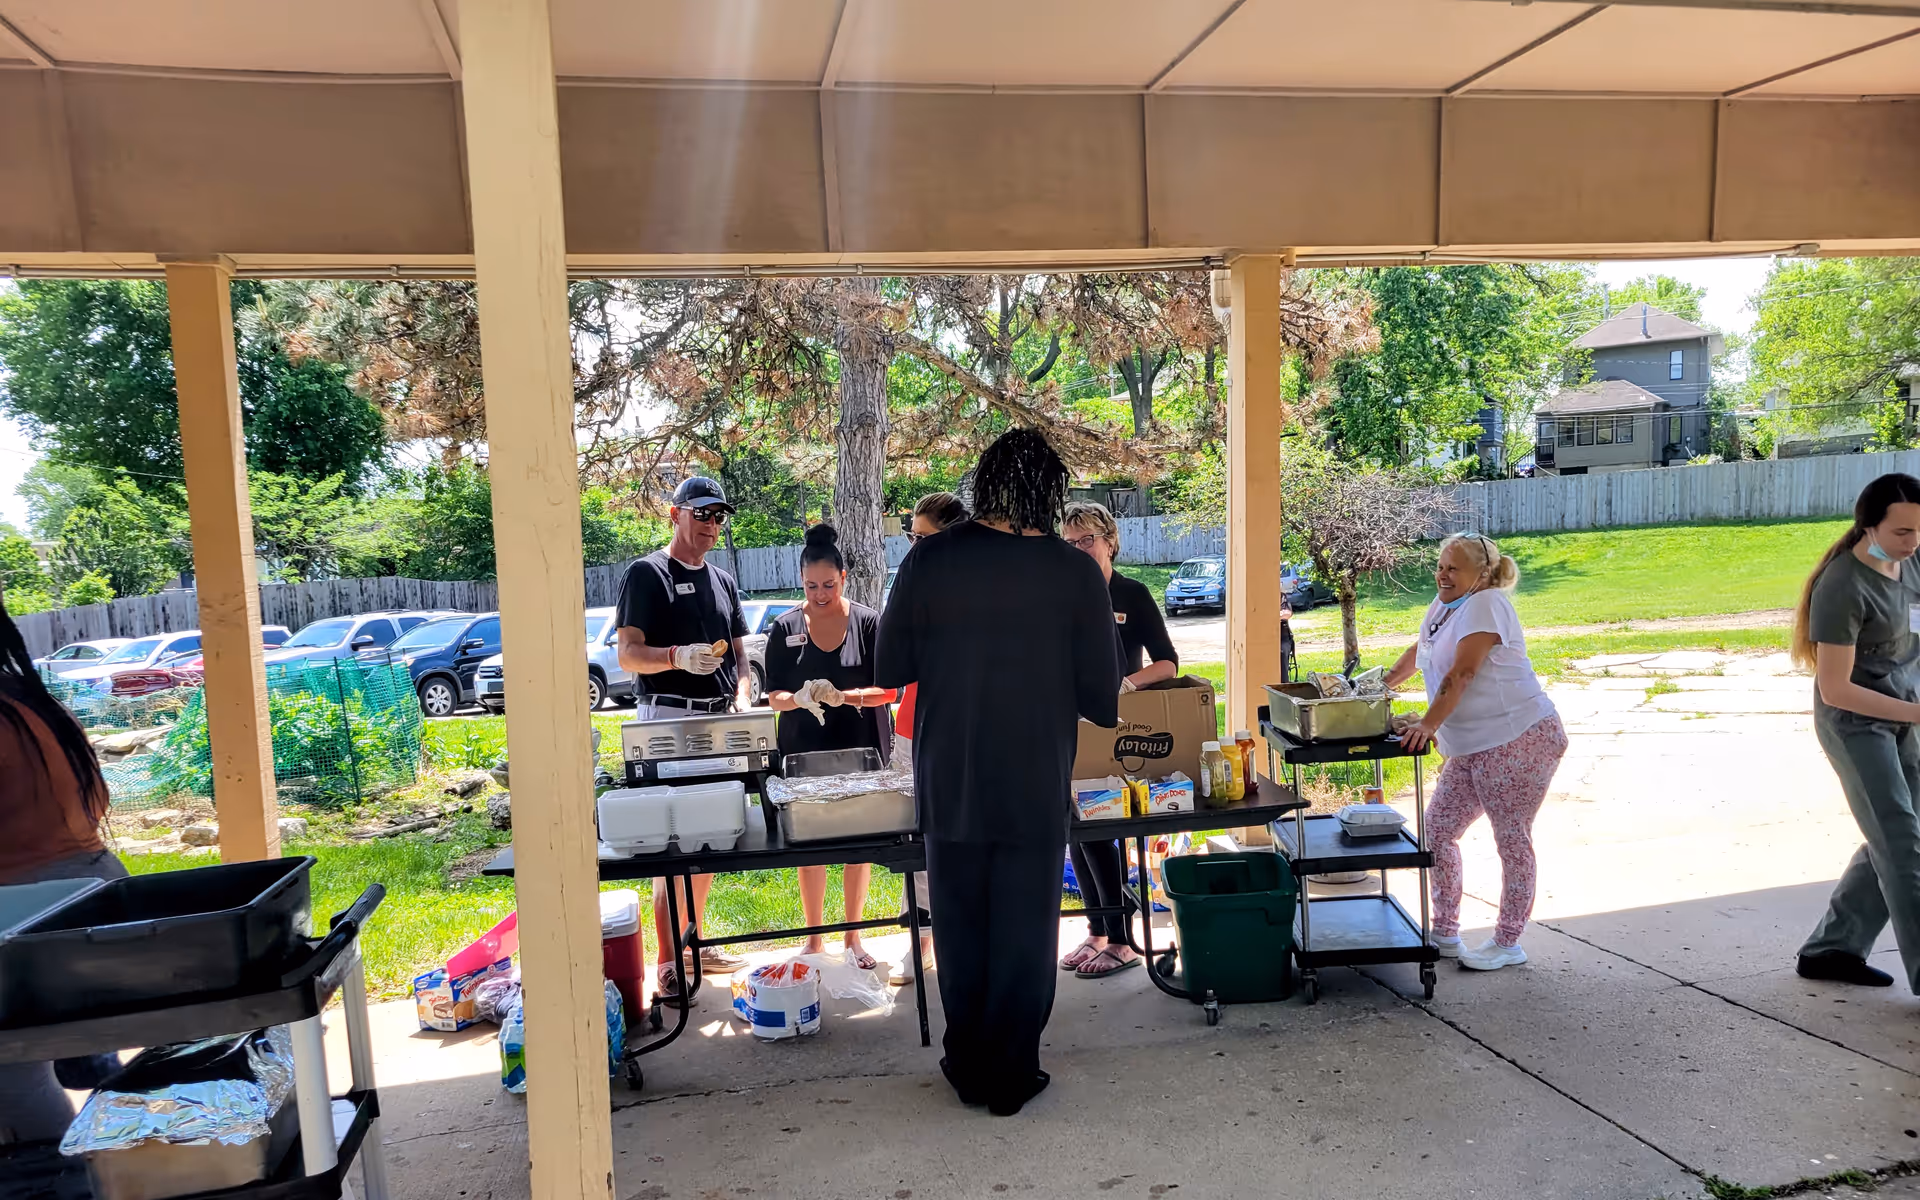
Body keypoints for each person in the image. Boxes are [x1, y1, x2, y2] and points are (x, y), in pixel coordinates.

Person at [876, 428, 1121, 1116]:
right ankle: (1012, 1073)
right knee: (1022, 925)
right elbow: (1103, 699)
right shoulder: (1072, 571)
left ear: (982, 485)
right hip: (1033, 775)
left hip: (949, 773)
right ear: (1048, 490)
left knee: (957, 924)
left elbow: (890, 670)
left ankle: (967, 1063)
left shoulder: (929, 561)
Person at [1385, 532, 1566, 972]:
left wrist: (1428, 723)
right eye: (1441, 565)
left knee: (1512, 840)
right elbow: (1420, 650)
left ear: (1481, 574)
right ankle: (1445, 931)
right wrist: (1377, 687)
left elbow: (1463, 672)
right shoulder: (1446, 602)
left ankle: (1508, 942)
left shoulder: (1486, 603)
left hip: (1516, 738)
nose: (1442, 574)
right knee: (1439, 831)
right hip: (1470, 745)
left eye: (1453, 568)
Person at [614, 476, 753, 1006]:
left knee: (712, 837)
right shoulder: (647, 574)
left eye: (719, 516)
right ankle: (668, 962)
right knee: (669, 843)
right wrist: (676, 656)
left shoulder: (722, 579)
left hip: (718, 720)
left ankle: (694, 940)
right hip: (667, 719)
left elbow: (740, 655)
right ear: (675, 514)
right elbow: (628, 653)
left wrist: (743, 694)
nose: (712, 525)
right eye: (702, 515)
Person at [0, 590, 127, 1143]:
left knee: (11, 1069)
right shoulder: (34, 706)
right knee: (85, 1053)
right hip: (96, 888)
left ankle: (65, 1177)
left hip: (26, 914)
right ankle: (123, 1156)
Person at [1792, 473, 1920, 994]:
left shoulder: (1913, 564)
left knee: (1901, 835)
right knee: (1901, 840)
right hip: (1855, 724)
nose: (1913, 542)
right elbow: (1836, 689)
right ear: (1868, 527)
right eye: (1903, 533)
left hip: (1906, 711)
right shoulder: (1842, 585)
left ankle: (1833, 948)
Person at [764, 524, 896, 970]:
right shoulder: (783, 628)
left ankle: (853, 936)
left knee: (858, 839)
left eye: (829, 584)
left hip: (861, 741)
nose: (820, 594)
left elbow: (889, 691)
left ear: (844, 577)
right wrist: (801, 698)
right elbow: (774, 697)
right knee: (812, 839)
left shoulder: (869, 622)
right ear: (801, 582)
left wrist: (847, 697)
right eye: (810, 586)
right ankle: (814, 936)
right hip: (805, 745)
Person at [1058, 501, 1179, 980]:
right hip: (1072, 725)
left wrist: (1128, 684)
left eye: (1087, 539)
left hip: (1122, 730)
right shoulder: (1060, 595)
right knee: (1076, 830)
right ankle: (1097, 930)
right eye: (1070, 543)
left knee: (1102, 826)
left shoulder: (1132, 593)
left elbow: (1168, 662)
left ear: (1109, 540)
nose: (1080, 550)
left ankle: (1124, 941)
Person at [889, 491, 969, 985]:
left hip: (960, 728)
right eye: (911, 536)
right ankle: (918, 939)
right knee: (912, 836)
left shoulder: (975, 585)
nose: (914, 546)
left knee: (958, 836)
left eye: (924, 537)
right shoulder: (911, 580)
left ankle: (959, 935)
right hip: (910, 727)